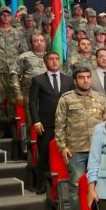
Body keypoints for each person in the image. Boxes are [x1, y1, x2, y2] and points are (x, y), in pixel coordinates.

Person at [54, 66, 106, 207]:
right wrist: (62, 147)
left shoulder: (101, 98)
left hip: (98, 150)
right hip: (76, 150)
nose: (86, 80)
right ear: (75, 81)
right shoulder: (66, 99)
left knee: (100, 184)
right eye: (81, 78)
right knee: (77, 184)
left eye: (88, 77)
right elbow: (59, 125)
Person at [28, 53, 73, 194]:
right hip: (46, 124)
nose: (54, 62)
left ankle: (66, 184)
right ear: (45, 62)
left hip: (66, 124)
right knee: (44, 155)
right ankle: (41, 184)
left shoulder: (68, 80)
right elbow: (33, 102)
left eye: (56, 59)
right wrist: (36, 121)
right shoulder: (38, 80)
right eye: (51, 59)